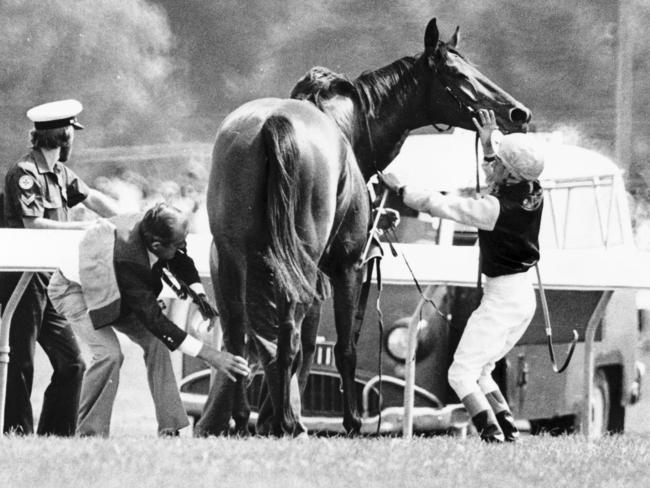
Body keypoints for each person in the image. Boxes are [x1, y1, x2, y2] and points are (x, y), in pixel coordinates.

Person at [381, 109, 544, 443]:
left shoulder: (495, 209)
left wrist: (403, 192)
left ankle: (491, 435)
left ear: (510, 174)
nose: (492, 166)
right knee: (482, 370)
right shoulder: (532, 190)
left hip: (502, 299)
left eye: (497, 163)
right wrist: (489, 146)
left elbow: (444, 206)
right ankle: (508, 429)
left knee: (460, 373)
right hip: (520, 297)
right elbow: (500, 178)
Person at [47, 202, 250, 437]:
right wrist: (211, 354)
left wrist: (201, 297)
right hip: (74, 291)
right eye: (178, 243)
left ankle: (170, 429)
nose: (183, 246)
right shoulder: (129, 260)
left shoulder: (156, 227)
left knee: (157, 344)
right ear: (156, 245)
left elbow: (180, 260)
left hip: (113, 288)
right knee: (109, 354)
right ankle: (90, 435)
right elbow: (155, 320)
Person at [1, 99, 121, 435]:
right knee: (20, 364)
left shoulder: (59, 172)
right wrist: (84, 229)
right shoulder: (25, 174)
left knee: (72, 363)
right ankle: (17, 433)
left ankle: (55, 434)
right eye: (72, 132)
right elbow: (33, 225)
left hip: (50, 282)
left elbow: (92, 197)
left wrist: (126, 219)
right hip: (22, 283)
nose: (74, 138)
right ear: (63, 134)